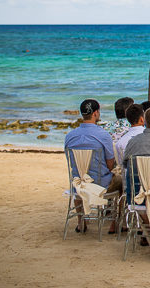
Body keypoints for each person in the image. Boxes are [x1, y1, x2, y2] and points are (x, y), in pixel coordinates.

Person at [64, 99, 121, 233]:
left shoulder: (70, 136)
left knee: (79, 178)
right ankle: (114, 223)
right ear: (95, 113)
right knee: (120, 181)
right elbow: (110, 163)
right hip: (100, 184)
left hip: (78, 183)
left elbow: (70, 160)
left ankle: (80, 222)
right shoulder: (103, 135)